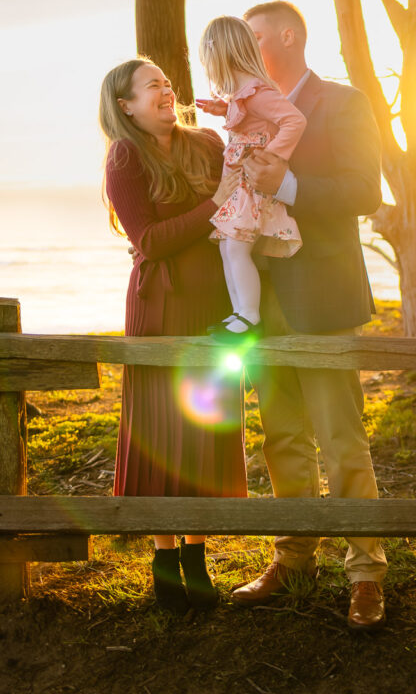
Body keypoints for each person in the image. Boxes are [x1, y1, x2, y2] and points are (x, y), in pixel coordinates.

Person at [220, 0, 387, 629]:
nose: (244, 49)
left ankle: (366, 570)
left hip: (321, 294)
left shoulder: (343, 103)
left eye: (254, 37)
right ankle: (293, 558)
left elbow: (365, 191)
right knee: (281, 434)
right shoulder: (240, 110)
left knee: (341, 436)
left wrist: (285, 185)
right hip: (259, 300)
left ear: (288, 36)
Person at [99, 58, 248, 614]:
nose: (164, 90)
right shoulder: (125, 156)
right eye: (150, 86)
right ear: (126, 106)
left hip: (214, 308)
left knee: (205, 427)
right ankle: (164, 555)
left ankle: (196, 553)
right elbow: (151, 240)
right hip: (160, 309)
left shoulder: (206, 142)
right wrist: (214, 207)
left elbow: (246, 191)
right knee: (163, 430)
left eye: (165, 82)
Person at [196, 16, 307, 337]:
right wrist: (223, 109)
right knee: (228, 247)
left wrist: (273, 156)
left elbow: (293, 121)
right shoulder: (246, 95)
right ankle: (239, 313)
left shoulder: (258, 93)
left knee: (235, 247)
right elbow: (250, 116)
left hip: (253, 184)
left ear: (221, 56)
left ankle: (248, 316)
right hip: (242, 184)